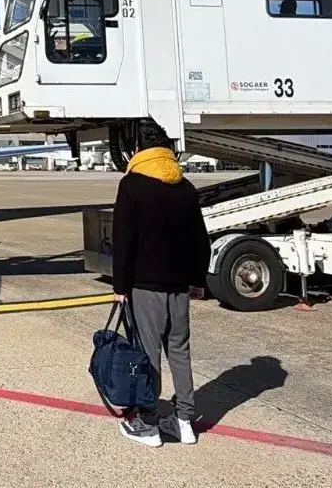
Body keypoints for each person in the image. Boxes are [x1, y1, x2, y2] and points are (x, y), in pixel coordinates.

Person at [110, 121, 211, 448]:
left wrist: (120, 285)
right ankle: (184, 421)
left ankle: (148, 422)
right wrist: (197, 280)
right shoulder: (185, 187)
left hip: (146, 286)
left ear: (139, 148)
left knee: (146, 352)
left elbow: (124, 241)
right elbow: (201, 240)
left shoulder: (132, 185)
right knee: (179, 351)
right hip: (179, 285)